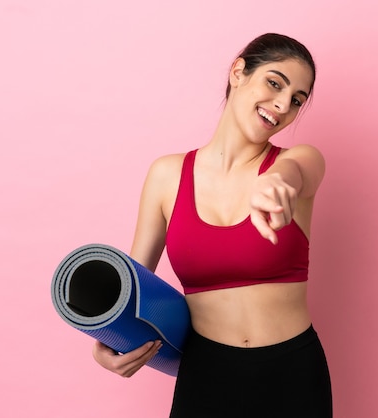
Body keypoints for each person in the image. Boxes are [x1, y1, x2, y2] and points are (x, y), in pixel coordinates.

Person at [92, 33, 332, 417]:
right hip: (205, 376)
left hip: (291, 376)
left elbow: (301, 171)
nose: (283, 105)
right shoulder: (167, 175)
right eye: (275, 83)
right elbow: (133, 286)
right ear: (239, 72)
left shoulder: (297, 161)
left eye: (297, 100)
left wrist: (279, 180)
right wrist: (107, 339)